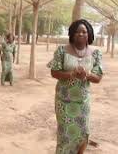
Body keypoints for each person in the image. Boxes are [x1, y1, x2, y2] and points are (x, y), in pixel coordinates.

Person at [47, 19, 103, 154]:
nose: (81, 34)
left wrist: (87, 75)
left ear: (89, 34)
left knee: (83, 133)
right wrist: (71, 74)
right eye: (77, 32)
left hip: (83, 103)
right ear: (72, 34)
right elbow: (54, 72)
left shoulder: (96, 53)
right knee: (65, 135)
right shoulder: (61, 51)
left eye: (84, 31)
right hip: (64, 102)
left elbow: (98, 78)